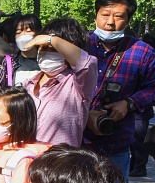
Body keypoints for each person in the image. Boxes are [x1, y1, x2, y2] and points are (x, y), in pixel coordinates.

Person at [85, 0, 155, 183]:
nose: (110, 22)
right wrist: (85, 112)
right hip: (74, 143)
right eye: (105, 14)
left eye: (118, 16)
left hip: (115, 145)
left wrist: (128, 103)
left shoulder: (141, 51)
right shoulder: (79, 44)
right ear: (96, 14)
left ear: (128, 19)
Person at [22, 18, 98, 147]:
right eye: (43, 47)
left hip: (59, 159)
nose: (47, 52)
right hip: (26, 157)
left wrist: (52, 40)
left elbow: (88, 63)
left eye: (54, 49)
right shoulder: (27, 85)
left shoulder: (78, 85)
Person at [130, 33, 155, 177]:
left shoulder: (148, 60)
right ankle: (134, 166)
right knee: (133, 141)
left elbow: (154, 87)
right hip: (136, 109)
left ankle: (140, 167)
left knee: (138, 141)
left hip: (140, 110)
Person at [0, 14, 42, 90]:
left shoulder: (48, 61)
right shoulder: (9, 61)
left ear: (38, 34)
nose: (23, 35)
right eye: (18, 32)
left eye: (28, 31)